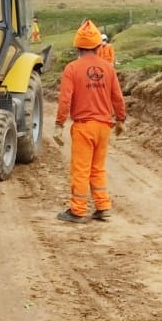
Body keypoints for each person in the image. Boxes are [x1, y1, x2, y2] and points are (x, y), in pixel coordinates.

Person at [54, 19, 126, 223]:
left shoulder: (72, 68)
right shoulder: (108, 69)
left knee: (81, 169)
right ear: (98, 46)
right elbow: (118, 97)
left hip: (84, 127)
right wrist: (121, 120)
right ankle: (103, 207)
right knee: (97, 168)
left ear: (77, 46)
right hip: (104, 127)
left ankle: (77, 210)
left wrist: (59, 124)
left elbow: (65, 99)